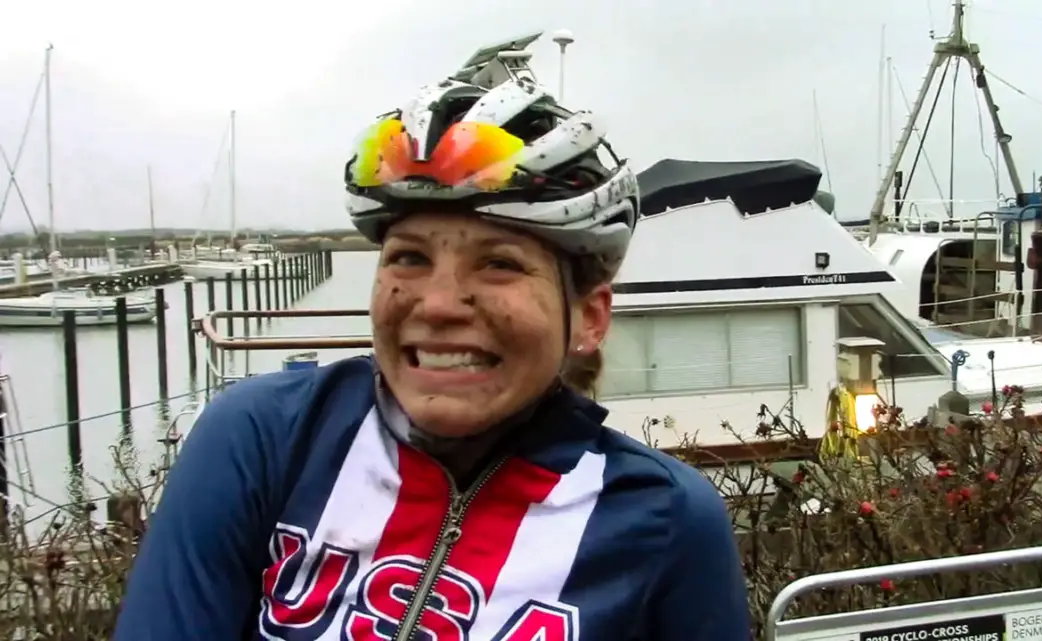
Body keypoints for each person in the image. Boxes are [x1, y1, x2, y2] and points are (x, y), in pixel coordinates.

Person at [113, 75, 751, 640]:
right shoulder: (265, 436)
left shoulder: (668, 519)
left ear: (588, 316)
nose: (439, 304)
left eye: (499, 264)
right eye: (409, 258)